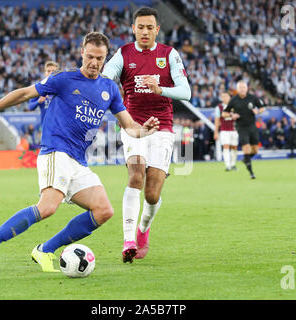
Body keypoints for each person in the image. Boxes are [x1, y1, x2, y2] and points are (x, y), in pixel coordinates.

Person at [0, 32, 160, 276]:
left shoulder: (109, 88)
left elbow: (130, 126)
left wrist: (145, 130)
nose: (94, 63)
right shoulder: (63, 79)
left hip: (78, 161)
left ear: (106, 58)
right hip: (56, 151)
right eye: (90, 57)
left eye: (99, 58)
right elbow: (24, 93)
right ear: (81, 53)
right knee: (47, 207)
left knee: (103, 210)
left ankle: (45, 250)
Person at [102, 7, 191, 263]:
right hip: (133, 126)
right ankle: (128, 239)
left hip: (162, 127)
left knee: (152, 193)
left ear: (157, 30)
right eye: (140, 27)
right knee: (136, 173)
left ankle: (143, 230)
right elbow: (106, 80)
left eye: (149, 27)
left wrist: (160, 89)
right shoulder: (123, 54)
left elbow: (186, 92)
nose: (144, 31)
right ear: (133, 28)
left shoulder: (168, 54)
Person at [223, 81, 266, 179]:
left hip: (252, 126)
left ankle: (246, 159)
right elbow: (224, 114)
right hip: (241, 127)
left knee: (255, 150)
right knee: (246, 148)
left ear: (247, 88)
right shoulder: (234, 100)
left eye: (244, 87)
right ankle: (251, 173)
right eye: (240, 87)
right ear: (237, 89)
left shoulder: (253, 98)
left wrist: (258, 111)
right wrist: (231, 115)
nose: (242, 89)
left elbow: (263, 108)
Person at [214, 92, 238, 171]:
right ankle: (228, 165)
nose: (224, 98)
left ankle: (233, 164)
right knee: (226, 146)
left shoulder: (235, 106)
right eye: (222, 96)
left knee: (234, 147)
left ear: (229, 97)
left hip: (234, 130)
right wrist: (216, 132)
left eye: (225, 96)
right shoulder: (219, 107)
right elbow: (217, 120)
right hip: (224, 130)